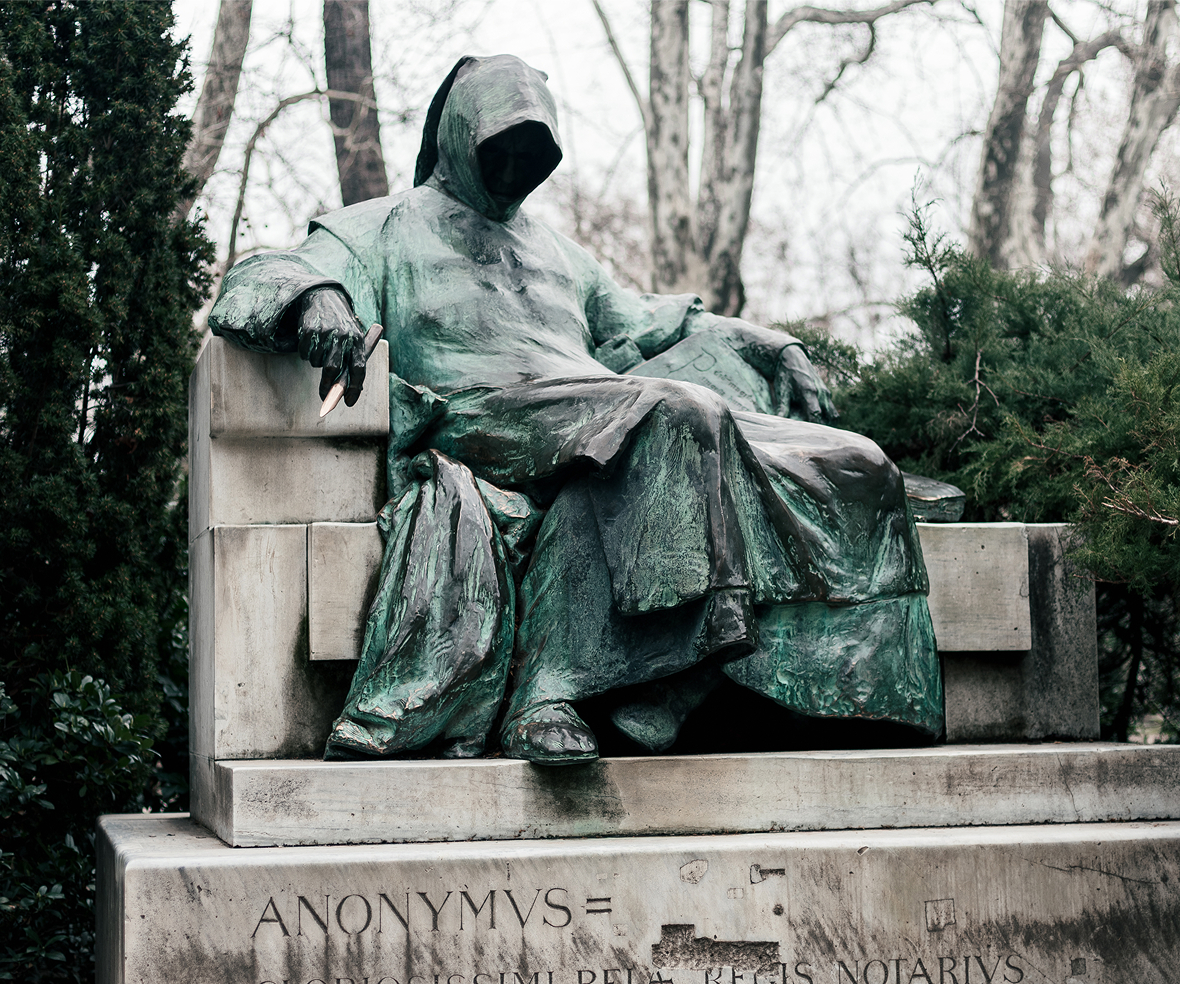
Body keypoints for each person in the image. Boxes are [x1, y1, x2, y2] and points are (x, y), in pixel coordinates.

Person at [209, 54, 942, 765]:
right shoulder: (382, 225)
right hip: (481, 417)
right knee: (676, 414)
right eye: (501, 144)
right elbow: (261, 273)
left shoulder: (563, 254)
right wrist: (317, 298)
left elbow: (655, 320)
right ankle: (665, 670)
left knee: (856, 461)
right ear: (456, 138)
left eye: (532, 151)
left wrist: (768, 344)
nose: (514, 165)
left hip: (594, 408)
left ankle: (861, 696)